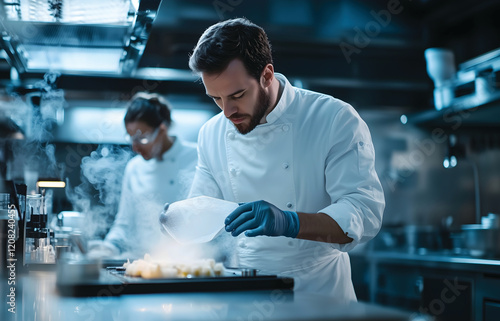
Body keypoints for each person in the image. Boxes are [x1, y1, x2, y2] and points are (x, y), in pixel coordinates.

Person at [185, 18, 385, 302]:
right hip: (245, 293)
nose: (227, 111)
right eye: (215, 98)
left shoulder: (333, 118)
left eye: (237, 95)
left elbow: (364, 213)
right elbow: (204, 206)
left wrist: (291, 222)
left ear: (267, 75)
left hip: (318, 295)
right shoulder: (211, 133)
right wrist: (181, 217)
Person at [88, 93, 198, 258]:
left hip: (192, 262)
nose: (135, 147)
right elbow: (124, 224)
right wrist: (108, 247)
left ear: (162, 129)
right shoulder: (135, 168)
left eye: (142, 138)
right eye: (131, 138)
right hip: (146, 264)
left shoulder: (197, 157)